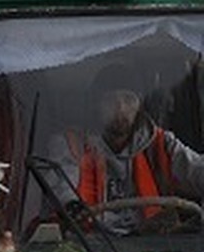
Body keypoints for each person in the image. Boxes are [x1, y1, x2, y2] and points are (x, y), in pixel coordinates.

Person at [54, 64, 204, 233]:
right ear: (96, 105)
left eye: (129, 99)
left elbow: (196, 169)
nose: (121, 109)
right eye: (111, 101)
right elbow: (62, 184)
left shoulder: (160, 143)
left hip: (152, 245)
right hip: (91, 246)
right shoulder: (72, 144)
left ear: (140, 104)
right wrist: (71, 204)